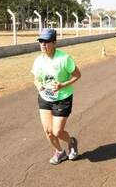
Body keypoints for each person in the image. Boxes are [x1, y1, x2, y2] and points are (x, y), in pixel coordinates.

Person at [31, 28, 81, 165]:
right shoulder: (38, 60)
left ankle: (71, 142)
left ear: (54, 43)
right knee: (48, 131)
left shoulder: (64, 58)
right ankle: (60, 152)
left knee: (57, 131)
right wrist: (38, 85)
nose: (43, 44)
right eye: (41, 41)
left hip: (63, 98)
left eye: (46, 41)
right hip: (45, 98)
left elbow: (77, 75)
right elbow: (36, 78)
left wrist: (62, 85)